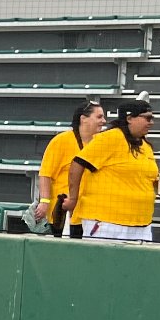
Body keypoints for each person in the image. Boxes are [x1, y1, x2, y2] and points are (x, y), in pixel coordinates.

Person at [67, 99, 160, 242]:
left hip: (141, 223)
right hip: (107, 222)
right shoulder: (110, 138)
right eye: (147, 118)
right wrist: (73, 198)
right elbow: (78, 164)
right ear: (129, 118)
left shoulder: (145, 146)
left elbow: (145, 180)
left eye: (152, 118)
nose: (151, 122)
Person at [35, 100, 105, 238]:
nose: (104, 121)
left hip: (90, 213)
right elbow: (45, 173)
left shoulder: (102, 142)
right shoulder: (62, 140)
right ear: (83, 119)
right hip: (63, 212)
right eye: (99, 117)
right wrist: (44, 201)